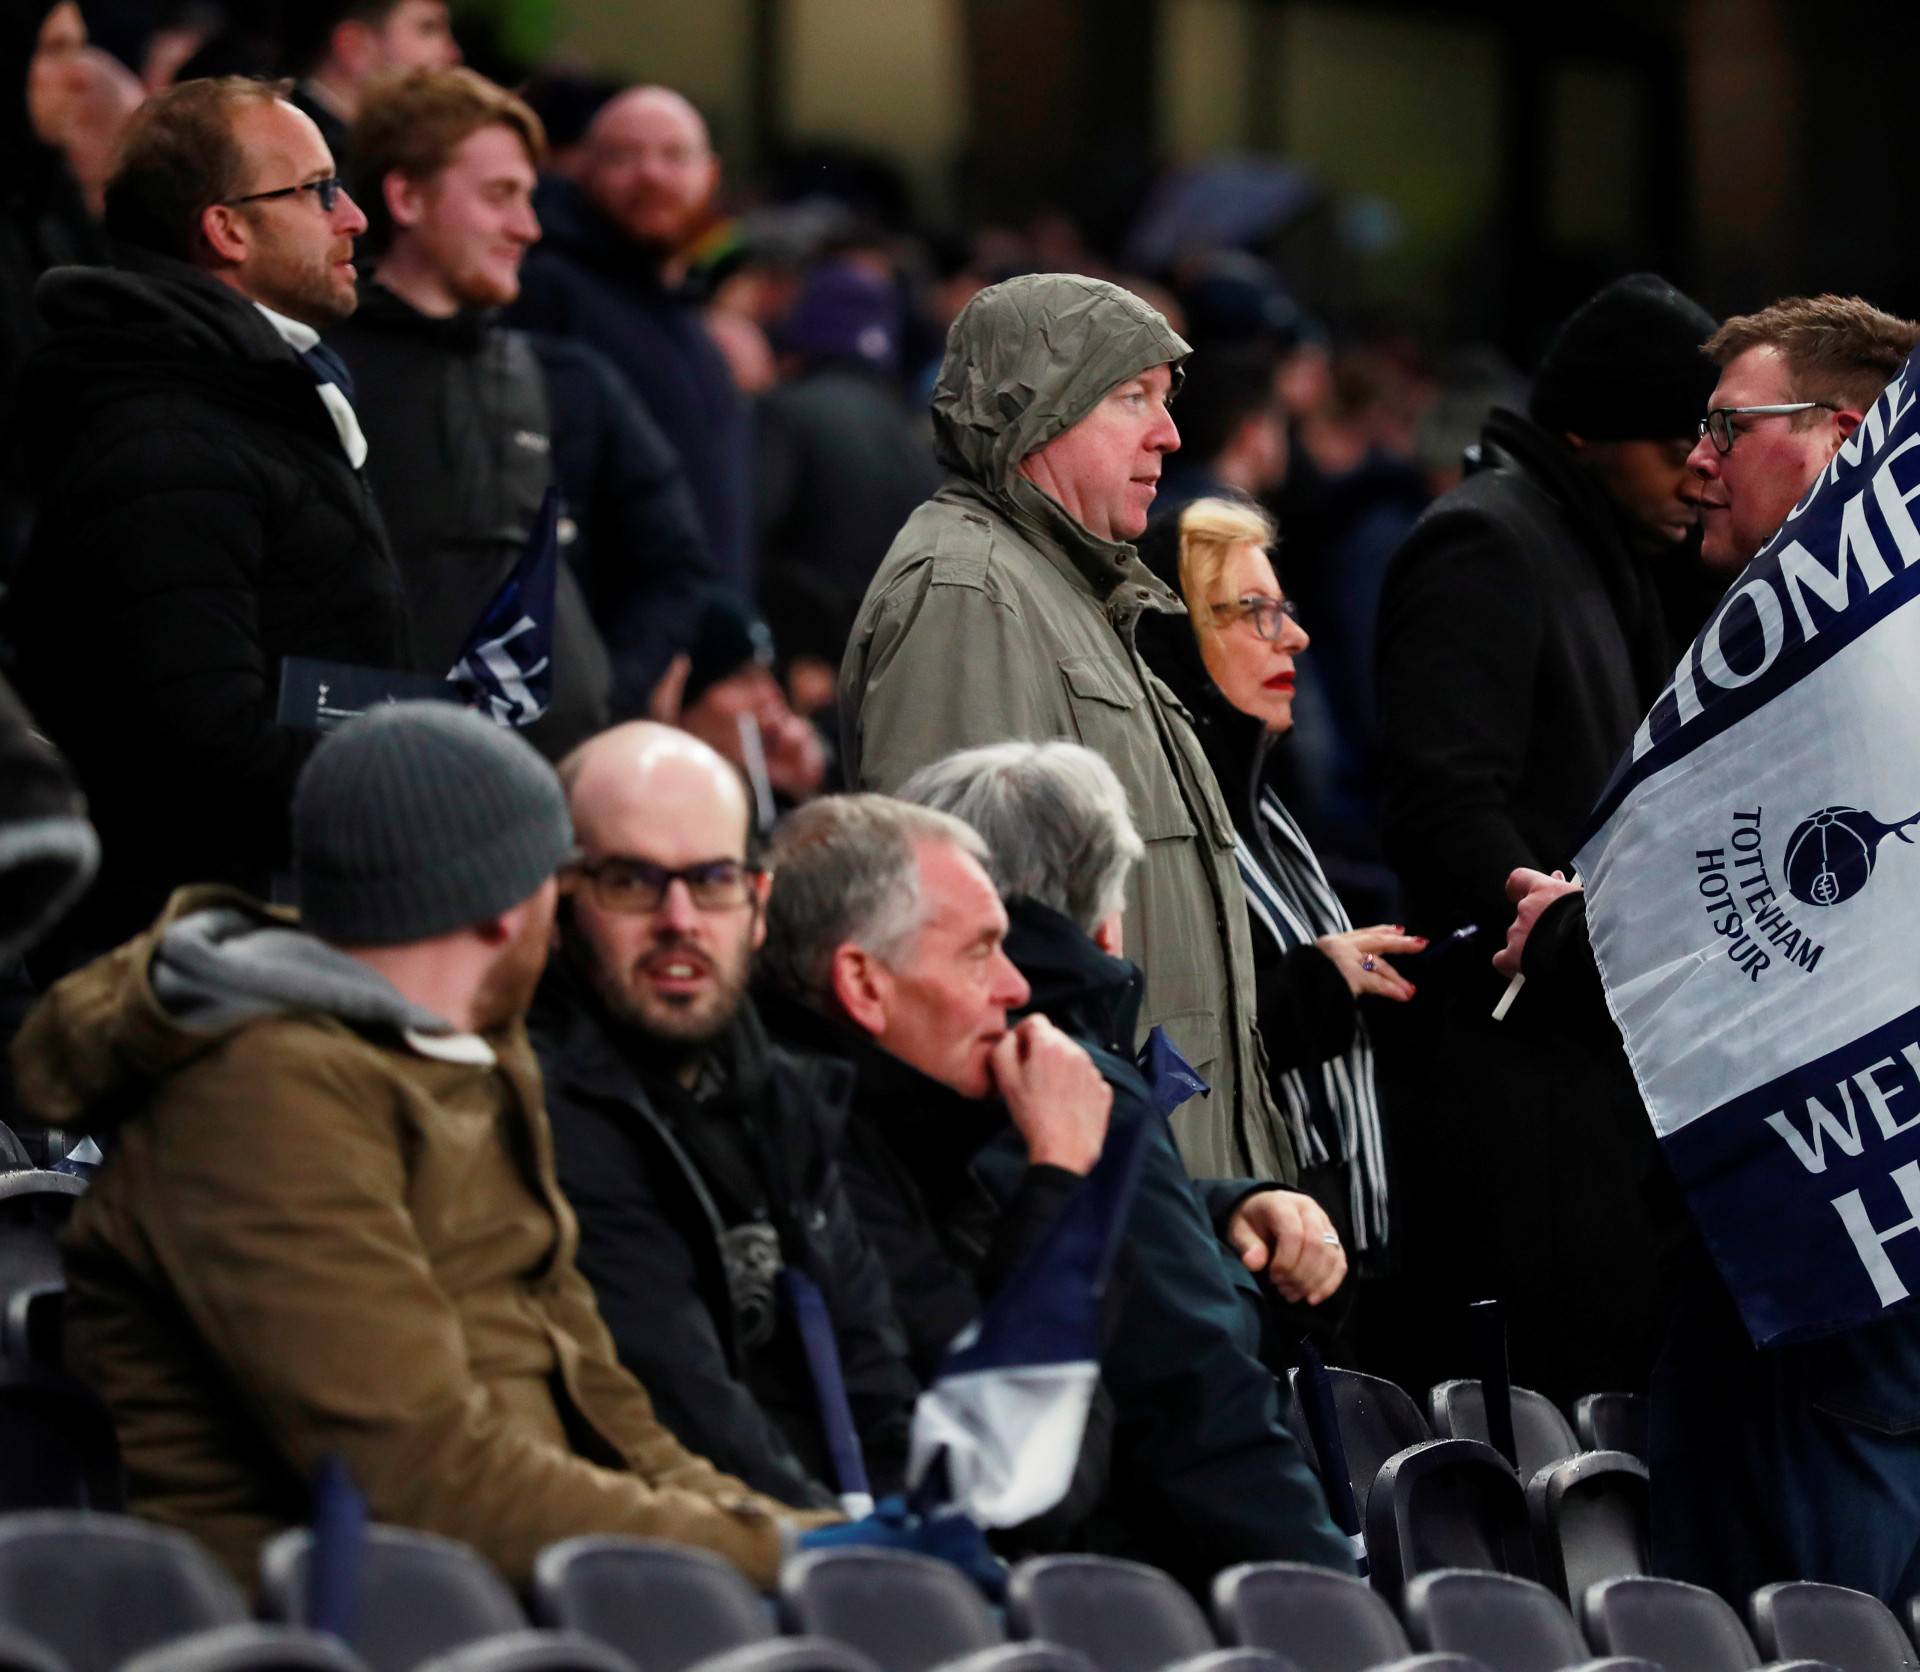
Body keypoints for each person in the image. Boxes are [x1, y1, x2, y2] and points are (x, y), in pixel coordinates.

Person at [8, 703, 829, 1590]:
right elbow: (423, 1480)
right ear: (506, 908)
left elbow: (608, 1416)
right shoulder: (261, 1098)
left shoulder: (472, 1059)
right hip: (321, 1625)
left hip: (518, 1601)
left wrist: (815, 1545)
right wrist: (777, 1558)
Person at [1496, 294, 1920, 1606]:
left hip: (1829, 1292)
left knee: (1791, 1622)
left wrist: (1573, 933)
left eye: (1730, 427)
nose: (1697, 460)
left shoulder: (1857, 667)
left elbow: (1745, 940)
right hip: (1820, 1252)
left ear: (1845, 439)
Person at [758, 791, 1351, 1586]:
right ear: (864, 985)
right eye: (978, 953)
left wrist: (1217, 1207)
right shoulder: (823, 1164)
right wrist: (1072, 1174)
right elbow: (1027, 1480)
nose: (1012, 989)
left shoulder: (929, 1128)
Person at [839, 272, 1292, 1183]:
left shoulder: (1067, 592)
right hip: (1095, 1198)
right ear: (1037, 414)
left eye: (1165, 402)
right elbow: (959, 940)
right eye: (1131, 398)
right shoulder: (967, 594)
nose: (1168, 434)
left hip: (1163, 1185)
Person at [1369, 273, 1720, 1403]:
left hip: (1578, 1068)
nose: (1698, 472)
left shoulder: (1604, 550)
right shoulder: (1487, 539)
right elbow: (1441, 800)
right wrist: (1566, 939)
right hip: (1511, 1079)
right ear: (1588, 432)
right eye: (1674, 443)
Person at [8, 76, 410, 969]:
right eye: (315, 190)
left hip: (267, 936)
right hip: (205, 971)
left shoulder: (248, 400)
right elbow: (199, 745)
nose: (354, 219)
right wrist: (406, 785)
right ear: (226, 228)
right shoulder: (166, 437)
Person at [531, 722, 918, 1509]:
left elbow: (875, 1380)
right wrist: (854, 1556)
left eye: (711, 880)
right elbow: (684, 1412)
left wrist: (912, 1541)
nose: (679, 918)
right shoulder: (539, 1109)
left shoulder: (785, 1099)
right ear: (561, 897)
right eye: (633, 881)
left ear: (757, 904)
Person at [330, 68, 718, 751]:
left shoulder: (568, 381)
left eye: (530, 198)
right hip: (379, 785)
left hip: (560, 797)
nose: (528, 227)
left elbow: (677, 566)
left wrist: (607, 699)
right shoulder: (322, 371)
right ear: (406, 197)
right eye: (500, 196)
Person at [1137, 498, 1417, 1284]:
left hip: (1336, 1243)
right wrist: (1320, 983)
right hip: (1257, 1252)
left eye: (1283, 610)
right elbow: (1176, 1045)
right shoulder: (1166, 825)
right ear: (1178, 642)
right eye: (1252, 613)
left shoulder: (1263, 801)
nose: (1293, 635)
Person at [512, 85, 755, 595]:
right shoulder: (545, 288)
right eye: (625, 155)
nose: (651, 173)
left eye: (674, 155)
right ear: (583, 171)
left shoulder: (695, 328)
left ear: (709, 176)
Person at [287, 0, 460, 185]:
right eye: (428, 28)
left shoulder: (375, 154)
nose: (453, 54)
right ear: (354, 46)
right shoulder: (293, 156)